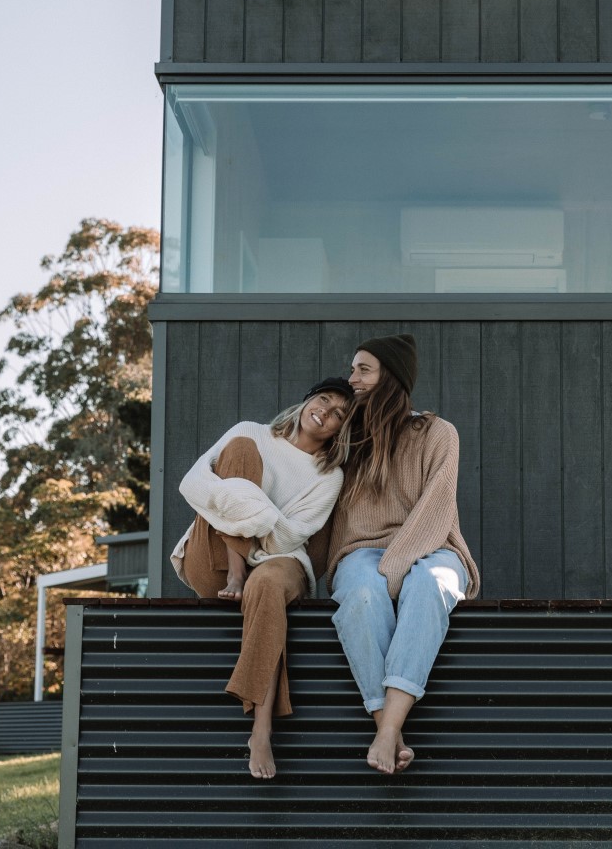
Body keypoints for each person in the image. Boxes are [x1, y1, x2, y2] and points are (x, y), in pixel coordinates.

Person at [169, 376, 353, 779]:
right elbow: (194, 484)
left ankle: (261, 729)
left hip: (281, 561)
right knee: (239, 454)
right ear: (307, 400)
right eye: (323, 399)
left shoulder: (329, 476)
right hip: (213, 561)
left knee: (266, 586)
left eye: (339, 413)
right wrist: (264, 517)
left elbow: (290, 536)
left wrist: (248, 512)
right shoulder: (250, 433)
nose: (326, 412)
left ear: (342, 428)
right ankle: (237, 573)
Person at [322, 333, 481, 775]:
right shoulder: (346, 439)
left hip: (435, 549)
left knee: (429, 584)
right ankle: (389, 728)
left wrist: (393, 569)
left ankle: (387, 730)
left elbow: (435, 512)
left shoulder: (437, 432)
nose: (351, 378)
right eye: (353, 368)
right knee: (362, 595)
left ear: (390, 377)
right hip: (359, 552)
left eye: (363, 369)